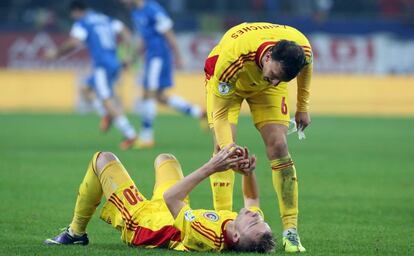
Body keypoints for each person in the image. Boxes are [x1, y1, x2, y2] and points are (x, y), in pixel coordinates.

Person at [204, 22, 313, 252]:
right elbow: (221, 114)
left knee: (279, 146)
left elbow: (306, 70)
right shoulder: (233, 58)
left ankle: (290, 231)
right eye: (274, 75)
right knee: (222, 151)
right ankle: (224, 220)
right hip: (228, 83)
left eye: (281, 80)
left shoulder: (301, 49)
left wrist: (302, 106)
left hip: (263, 89)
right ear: (268, 56)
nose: (274, 82)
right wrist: (229, 148)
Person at [44, 145, 275, 253]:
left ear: (235, 237)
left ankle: (75, 233)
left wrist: (211, 167)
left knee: (102, 159)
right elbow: (251, 198)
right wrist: (249, 173)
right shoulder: (238, 226)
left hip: (143, 222)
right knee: (166, 158)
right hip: (168, 210)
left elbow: (171, 197)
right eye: (260, 219)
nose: (255, 215)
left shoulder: (207, 234)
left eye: (254, 222)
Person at [45, 1, 138, 150]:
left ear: (76, 11)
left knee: (107, 100)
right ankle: (106, 115)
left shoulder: (83, 22)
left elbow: (74, 42)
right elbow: (126, 33)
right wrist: (127, 54)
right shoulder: (104, 18)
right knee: (86, 88)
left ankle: (130, 134)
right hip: (114, 63)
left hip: (102, 66)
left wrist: (56, 53)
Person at [121, 0, 206, 149]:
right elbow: (144, 39)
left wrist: (178, 56)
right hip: (151, 57)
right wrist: (132, 58)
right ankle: (199, 113)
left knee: (149, 94)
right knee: (159, 96)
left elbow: (168, 33)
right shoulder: (136, 12)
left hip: (159, 57)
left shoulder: (152, 8)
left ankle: (146, 137)